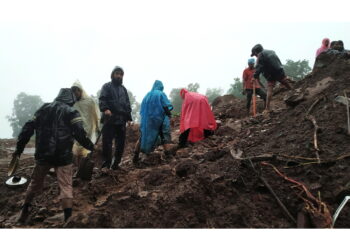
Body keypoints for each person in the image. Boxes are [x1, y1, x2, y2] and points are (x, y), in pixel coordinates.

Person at [14, 88, 95, 223]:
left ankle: (24, 212)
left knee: (34, 183)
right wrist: (91, 147)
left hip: (43, 154)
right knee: (66, 186)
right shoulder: (71, 112)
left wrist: (19, 149)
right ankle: (68, 219)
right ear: (71, 100)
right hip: (63, 156)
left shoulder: (43, 109)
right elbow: (80, 133)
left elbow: (27, 128)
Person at [99, 66, 132, 170]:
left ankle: (115, 164)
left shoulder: (123, 89)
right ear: (113, 75)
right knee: (107, 143)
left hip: (121, 119)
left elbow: (127, 103)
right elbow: (102, 99)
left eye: (121, 74)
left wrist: (129, 117)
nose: (119, 76)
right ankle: (106, 165)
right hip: (109, 118)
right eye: (117, 73)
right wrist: (105, 109)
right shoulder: (106, 86)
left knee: (121, 143)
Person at [133, 80, 175, 163]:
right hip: (158, 119)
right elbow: (165, 106)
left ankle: (135, 156)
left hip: (147, 120)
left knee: (143, 136)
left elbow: (142, 110)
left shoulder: (147, 95)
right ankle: (168, 155)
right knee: (163, 135)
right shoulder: (160, 94)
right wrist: (170, 116)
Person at [251, 44, 293, 112]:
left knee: (269, 89)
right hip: (279, 70)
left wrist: (254, 76)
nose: (255, 56)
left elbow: (259, 67)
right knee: (285, 82)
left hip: (270, 74)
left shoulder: (260, 55)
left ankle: (267, 108)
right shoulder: (271, 51)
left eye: (254, 54)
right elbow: (278, 61)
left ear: (256, 52)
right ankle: (294, 91)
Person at [71, 80, 100, 170]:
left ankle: (83, 168)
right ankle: (77, 168)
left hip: (88, 128)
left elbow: (96, 114)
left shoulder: (89, 101)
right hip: (77, 129)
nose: (76, 92)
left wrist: (97, 127)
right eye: (74, 90)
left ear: (81, 90)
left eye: (77, 90)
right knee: (76, 149)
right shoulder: (72, 103)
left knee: (85, 148)